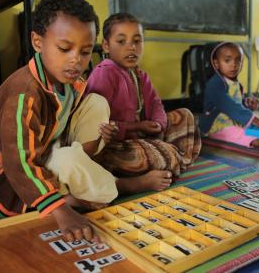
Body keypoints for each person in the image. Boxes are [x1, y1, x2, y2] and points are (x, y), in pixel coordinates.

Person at [0, 0, 118, 243]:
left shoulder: (71, 82)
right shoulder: (24, 95)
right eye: (64, 48)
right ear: (37, 42)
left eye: (85, 51)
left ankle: (78, 180)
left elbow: (66, 118)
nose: (76, 60)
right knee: (73, 163)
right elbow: (18, 162)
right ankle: (95, 189)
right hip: (11, 176)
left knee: (97, 103)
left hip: (47, 145)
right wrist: (61, 212)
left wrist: (103, 135)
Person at [86, 13, 201, 192]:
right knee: (143, 156)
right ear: (106, 46)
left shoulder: (140, 74)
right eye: (121, 41)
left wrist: (157, 124)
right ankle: (167, 159)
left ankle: (167, 156)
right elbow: (97, 127)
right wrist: (137, 126)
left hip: (142, 137)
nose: (131, 47)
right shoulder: (104, 74)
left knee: (184, 116)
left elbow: (156, 104)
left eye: (137, 41)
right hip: (113, 147)